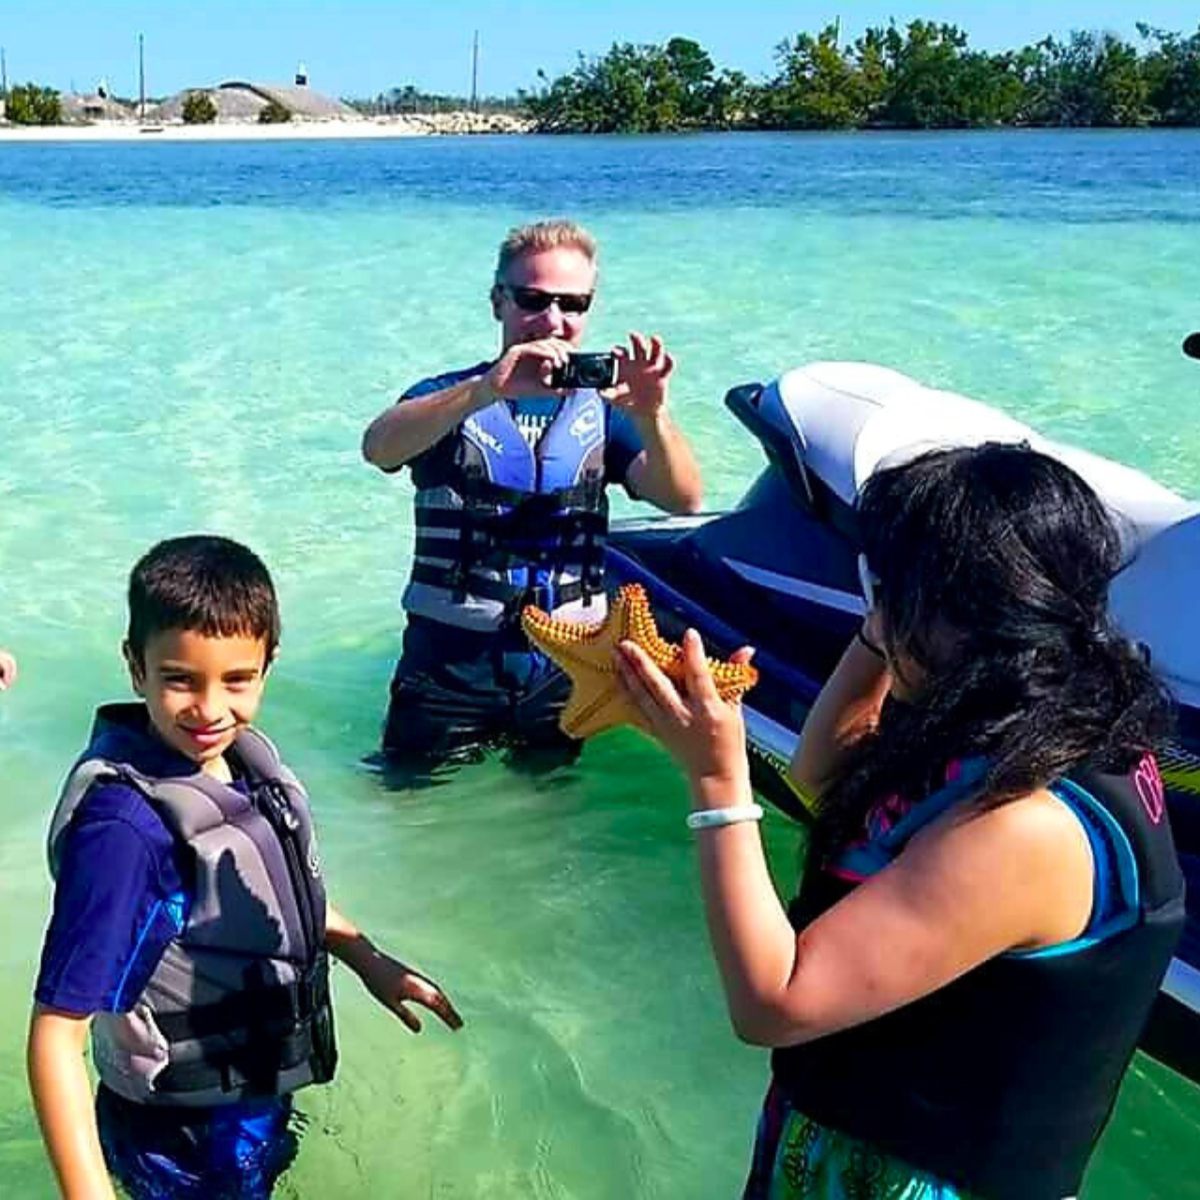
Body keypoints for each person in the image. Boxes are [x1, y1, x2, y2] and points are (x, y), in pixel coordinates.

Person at [615, 443, 1184, 1200]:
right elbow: (826, 782)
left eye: (887, 583)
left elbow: (774, 1002)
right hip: (850, 1157)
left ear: (956, 607)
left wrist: (717, 780)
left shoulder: (1027, 828)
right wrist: (881, 628)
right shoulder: (1046, 707)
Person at [28, 536, 462, 1200]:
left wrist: (366, 957)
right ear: (135, 667)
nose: (209, 709)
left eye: (236, 679)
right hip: (178, 1133)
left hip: (249, 1093)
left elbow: (271, 904)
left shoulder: (239, 769)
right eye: (179, 679)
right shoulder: (124, 833)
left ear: (267, 665)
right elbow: (58, 1037)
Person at [362, 218, 703, 773]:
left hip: (567, 667)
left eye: (573, 304)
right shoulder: (446, 399)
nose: (553, 320)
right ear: (498, 301)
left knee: (547, 810)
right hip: (450, 662)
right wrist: (487, 389)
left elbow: (683, 498)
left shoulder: (610, 412)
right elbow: (379, 449)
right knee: (410, 805)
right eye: (533, 300)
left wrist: (653, 416)